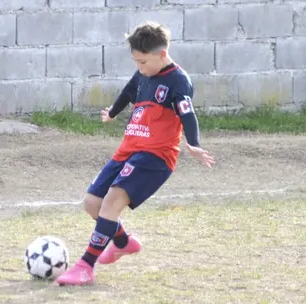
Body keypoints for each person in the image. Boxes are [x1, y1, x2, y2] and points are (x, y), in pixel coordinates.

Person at [56, 21, 215, 286]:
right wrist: (113, 112)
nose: (139, 68)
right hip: (128, 150)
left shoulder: (178, 81)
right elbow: (129, 92)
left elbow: (187, 114)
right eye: (136, 62)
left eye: (143, 62)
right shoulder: (143, 74)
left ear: (161, 55)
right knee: (92, 204)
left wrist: (193, 142)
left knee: (111, 202)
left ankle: (85, 267)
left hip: (155, 157)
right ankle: (123, 242)